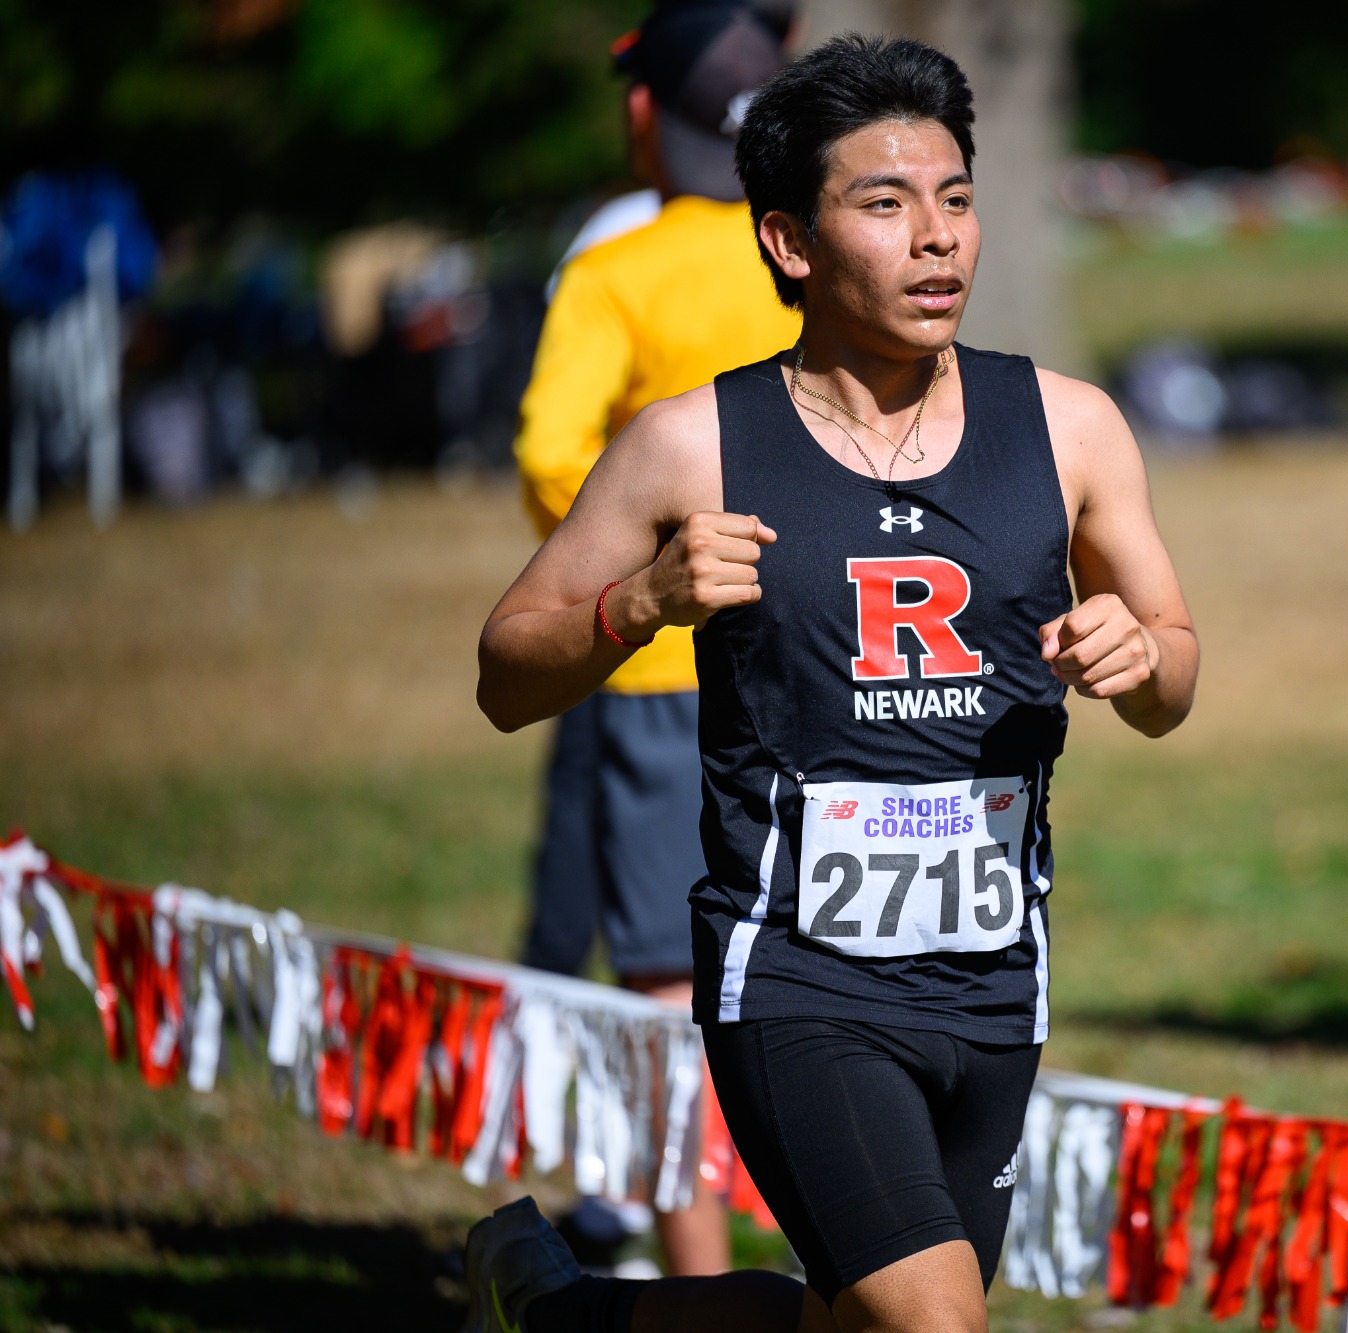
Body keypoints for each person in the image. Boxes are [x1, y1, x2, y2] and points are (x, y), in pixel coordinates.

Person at [466, 32, 1199, 1333]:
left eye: (956, 199)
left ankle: (578, 1320)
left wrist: (1141, 664)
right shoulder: (692, 446)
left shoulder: (1072, 427)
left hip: (992, 978)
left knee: (848, 1323)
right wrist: (641, 604)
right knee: (935, 1322)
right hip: (798, 978)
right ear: (790, 244)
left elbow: (1176, 665)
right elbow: (507, 671)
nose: (938, 239)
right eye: (886, 202)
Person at [511, 0, 797, 1276]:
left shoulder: (614, 276)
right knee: (813, 979)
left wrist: (636, 557)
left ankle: (700, 1289)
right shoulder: (813, 256)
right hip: (826, 673)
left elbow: (547, 453)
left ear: (645, 116)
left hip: (658, 681)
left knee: (669, 995)